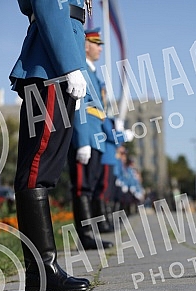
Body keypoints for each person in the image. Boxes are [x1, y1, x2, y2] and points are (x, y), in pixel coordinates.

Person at [10, 0, 92, 291]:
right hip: (51, 64)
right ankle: (42, 269)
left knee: (41, 167)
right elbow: (48, 5)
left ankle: (40, 270)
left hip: (57, 61)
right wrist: (69, 65)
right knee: (36, 167)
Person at [68, 27, 113, 249]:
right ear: (86, 45)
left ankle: (91, 234)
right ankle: (85, 235)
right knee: (82, 187)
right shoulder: (82, 69)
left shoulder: (93, 72)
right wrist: (82, 139)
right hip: (85, 135)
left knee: (91, 185)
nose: (100, 48)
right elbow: (79, 107)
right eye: (97, 44)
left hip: (96, 137)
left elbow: (99, 111)